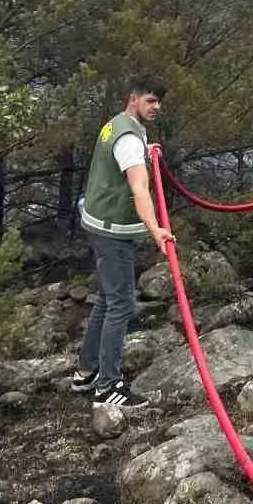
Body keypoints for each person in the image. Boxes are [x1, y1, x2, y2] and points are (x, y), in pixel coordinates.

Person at [69, 72, 175, 410]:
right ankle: (108, 387)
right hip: (112, 231)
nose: (156, 106)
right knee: (121, 305)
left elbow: (127, 155)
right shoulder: (128, 139)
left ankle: (86, 370)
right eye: (150, 100)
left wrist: (147, 149)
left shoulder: (118, 125)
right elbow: (139, 187)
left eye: (159, 101)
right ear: (133, 98)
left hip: (97, 221)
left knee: (106, 299)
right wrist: (156, 228)